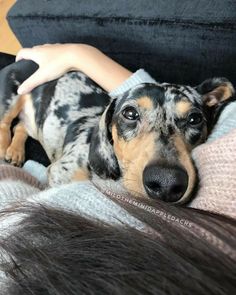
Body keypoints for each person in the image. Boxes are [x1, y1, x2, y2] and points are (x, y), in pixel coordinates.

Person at [0, 43, 235, 294]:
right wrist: (78, 56)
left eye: (192, 119)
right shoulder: (85, 161)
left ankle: (21, 131)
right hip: (32, 87)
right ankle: (10, 127)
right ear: (108, 132)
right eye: (132, 115)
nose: (165, 158)